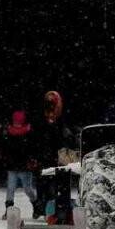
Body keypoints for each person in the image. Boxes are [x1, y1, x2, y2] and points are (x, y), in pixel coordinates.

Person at [31, 91, 69, 220]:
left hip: (52, 157)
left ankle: (49, 211)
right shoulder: (42, 120)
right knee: (43, 186)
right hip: (44, 156)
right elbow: (36, 137)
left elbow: (60, 139)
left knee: (50, 187)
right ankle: (42, 210)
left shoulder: (58, 121)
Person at [2, 109, 39, 219]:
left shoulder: (26, 132)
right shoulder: (12, 132)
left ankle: (36, 206)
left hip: (22, 165)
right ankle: (10, 210)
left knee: (26, 189)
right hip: (15, 165)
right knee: (11, 188)